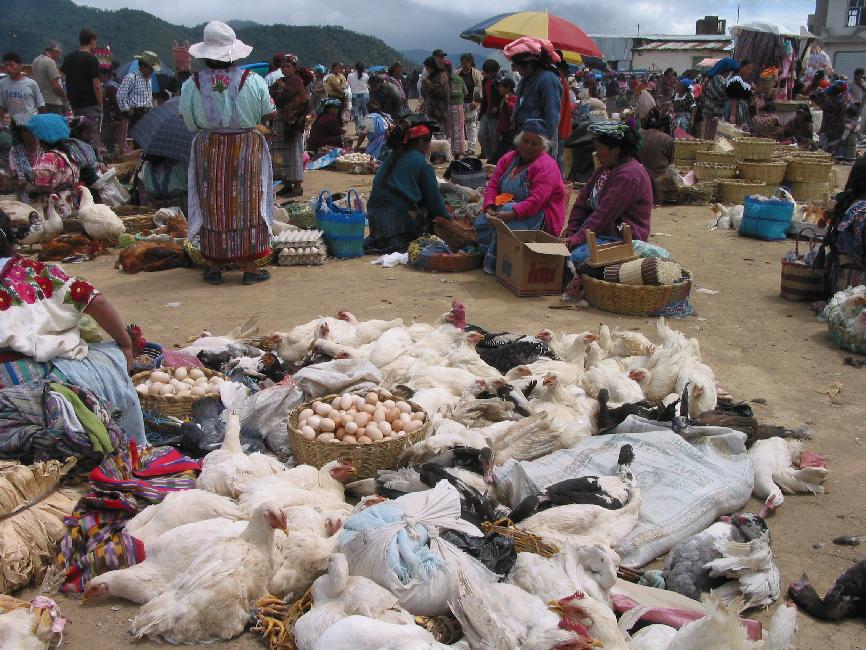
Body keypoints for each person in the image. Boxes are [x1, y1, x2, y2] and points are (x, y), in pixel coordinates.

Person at [0, 209, 146, 445]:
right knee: (108, 359)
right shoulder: (31, 272)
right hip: (22, 381)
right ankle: (125, 444)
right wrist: (126, 344)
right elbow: (95, 300)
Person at [180, 21, 275, 286]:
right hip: (245, 147)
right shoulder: (253, 81)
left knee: (213, 203)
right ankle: (249, 267)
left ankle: (213, 265)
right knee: (247, 203)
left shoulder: (192, 84)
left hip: (209, 148)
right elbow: (268, 112)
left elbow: (189, 122)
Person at [477, 120, 566, 274]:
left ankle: (504, 267)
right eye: (525, 141)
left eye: (534, 143)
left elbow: (537, 200)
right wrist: (490, 206)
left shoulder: (547, 166)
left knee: (507, 214)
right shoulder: (509, 158)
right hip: (508, 209)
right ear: (519, 141)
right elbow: (492, 185)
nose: (529, 146)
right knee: (483, 220)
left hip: (541, 216)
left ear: (543, 147)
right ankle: (488, 259)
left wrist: (510, 214)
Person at [565, 118, 653, 265]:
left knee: (575, 259)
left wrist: (576, 239)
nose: (596, 153)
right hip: (598, 232)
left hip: (621, 239)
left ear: (616, 150)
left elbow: (603, 215)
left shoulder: (629, 176)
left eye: (599, 148)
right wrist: (572, 230)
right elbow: (582, 202)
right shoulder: (605, 169)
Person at [365, 115, 449, 254]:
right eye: (428, 143)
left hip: (375, 218)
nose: (429, 147)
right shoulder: (423, 163)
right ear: (422, 141)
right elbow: (435, 204)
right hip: (396, 222)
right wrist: (449, 222)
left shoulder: (392, 156)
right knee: (427, 211)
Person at [8, 113, 99, 212]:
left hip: (53, 208)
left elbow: (41, 186)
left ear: (41, 138)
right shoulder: (68, 155)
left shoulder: (48, 159)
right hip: (70, 203)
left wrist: (28, 186)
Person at [505, 38, 561, 143]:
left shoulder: (548, 80)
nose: (517, 70)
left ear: (530, 64)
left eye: (519, 66)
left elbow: (551, 117)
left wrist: (541, 143)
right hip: (523, 138)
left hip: (539, 141)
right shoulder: (526, 80)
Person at [269, 53, 309, 198]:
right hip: (282, 121)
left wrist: (280, 94)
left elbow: (283, 97)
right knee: (283, 153)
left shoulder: (296, 81)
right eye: (283, 67)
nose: (285, 69)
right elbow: (273, 93)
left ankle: (297, 186)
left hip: (294, 122)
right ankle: (287, 184)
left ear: (294, 67)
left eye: (288, 66)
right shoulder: (281, 81)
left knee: (294, 153)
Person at [61, 29, 103, 150]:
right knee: (92, 136)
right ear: (92, 41)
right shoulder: (91, 59)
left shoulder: (68, 58)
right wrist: (100, 104)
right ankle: (95, 163)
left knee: (79, 135)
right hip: (90, 104)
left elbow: (63, 76)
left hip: (75, 104)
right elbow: (96, 84)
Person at [117, 51, 159, 139]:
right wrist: (128, 111)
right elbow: (120, 96)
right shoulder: (132, 78)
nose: (152, 71)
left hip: (145, 114)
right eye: (150, 69)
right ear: (143, 66)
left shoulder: (149, 80)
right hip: (134, 114)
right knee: (132, 139)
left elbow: (148, 98)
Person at [0, 52, 45, 131]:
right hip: (13, 123)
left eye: (11, 65)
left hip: (30, 123)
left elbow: (40, 105)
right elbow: (1, 106)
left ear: (20, 66)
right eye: (6, 65)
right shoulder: (2, 83)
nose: (8, 68)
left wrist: (41, 123)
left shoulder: (31, 83)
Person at [636, 107, 674, 188]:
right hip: (659, 181)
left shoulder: (638, 133)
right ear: (664, 127)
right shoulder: (667, 139)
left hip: (638, 177)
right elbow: (671, 163)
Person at [701, 57, 738, 139]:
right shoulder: (718, 79)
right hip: (713, 112)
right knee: (711, 136)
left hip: (712, 112)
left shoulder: (714, 78)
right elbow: (722, 94)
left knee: (710, 135)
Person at [31, 42, 66, 115]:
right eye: (59, 53)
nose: (59, 56)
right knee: (56, 125)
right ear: (55, 51)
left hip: (40, 101)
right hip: (53, 101)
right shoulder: (50, 62)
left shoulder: (36, 60)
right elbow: (56, 86)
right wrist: (64, 96)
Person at [458, 54, 482, 155]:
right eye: (462, 62)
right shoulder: (457, 73)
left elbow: (479, 88)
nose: (463, 65)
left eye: (465, 62)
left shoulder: (476, 73)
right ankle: (461, 146)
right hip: (459, 103)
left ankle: (471, 147)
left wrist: (476, 101)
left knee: (471, 125)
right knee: (459, 125)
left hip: (471, 103)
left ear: (470, 62)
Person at [477, 59, 501, 160]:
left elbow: (506, 96)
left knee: (494, 138)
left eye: (489, 72)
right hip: (486, 112)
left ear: (495, 72)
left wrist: (498, 106)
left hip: (496, 114)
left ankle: (495, 159)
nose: (487, 74)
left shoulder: (499, 82)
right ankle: (490, 156)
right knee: (481, 136)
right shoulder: (484, 81)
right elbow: (487, 97)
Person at [816, 82, 847, 154]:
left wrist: (828, 130)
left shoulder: (831, 103)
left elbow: (831, 118)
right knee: (832, 146)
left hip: (830, 128)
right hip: (838, 127)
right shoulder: (841, 101)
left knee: (826, 148)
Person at [421, 56, 450, 131]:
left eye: (427, 67)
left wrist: (428, 85)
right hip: (431, 110)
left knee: (439, 133)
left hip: (440, 111)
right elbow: (425, 94)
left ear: (432, 66)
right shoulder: (431, 76)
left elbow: (442, 91)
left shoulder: (442, 75)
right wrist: (423, 86)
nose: (426, 69)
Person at [492, 75, 517, 164]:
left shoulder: (511, 98)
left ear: (508, 88)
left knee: (503, 152)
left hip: (509, 131)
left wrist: (508, 103)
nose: (499, 89)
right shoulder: (503, 97)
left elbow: (513, 111)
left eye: (501, 87)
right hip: (503, 130)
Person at [445, 60, 467, 157]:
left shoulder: (444, 79)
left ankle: (452, 149)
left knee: (449, 128)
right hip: (459, 106)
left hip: (447, 105)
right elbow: (465, 92)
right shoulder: (459, 79)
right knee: (459, 128)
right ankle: (459, 149)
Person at [725, 59, 754, 126]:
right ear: (741, 67)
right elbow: (733, 97)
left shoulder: (741, 81)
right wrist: (733, 115)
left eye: (751, 70)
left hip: (740, 110)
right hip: (736, 110)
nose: (749, 71)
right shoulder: (736, 79)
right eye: (747, 68)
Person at [347, 62, 369, 130]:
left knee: (357, 113)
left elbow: (348, 85)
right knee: (366, 113)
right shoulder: (366, 75)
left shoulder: (350, 75)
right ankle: (366, 128)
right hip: (365, 95)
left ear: (355, 67)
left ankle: (358, 129)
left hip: (355, 95)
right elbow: (368, 86)